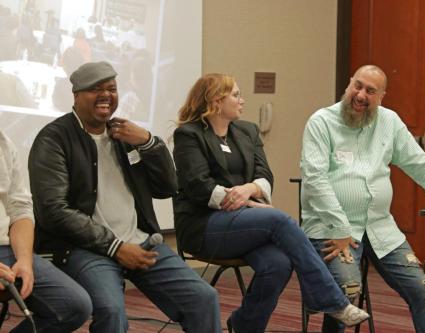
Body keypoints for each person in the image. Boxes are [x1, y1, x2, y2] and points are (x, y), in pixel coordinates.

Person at [28, 61, 220, 333]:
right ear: (77, 96)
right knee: (112, 311)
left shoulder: (126, 135)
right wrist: (115, 247)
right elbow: (53, 210)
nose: (106, 95)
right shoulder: (54, 139)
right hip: (86, 248)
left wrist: (149, 143)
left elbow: (167, 187)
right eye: (95, 89)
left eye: (112, 88)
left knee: (204, 298)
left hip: (140, 241)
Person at [173, 73, 370, 333]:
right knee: (278, 220)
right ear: (216, 101)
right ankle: (331, 301)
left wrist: (249, 189)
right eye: (235, 95)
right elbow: (199, 186)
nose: (242, 100)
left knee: (278, 265)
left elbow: (265, 175)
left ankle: (244, 325)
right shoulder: (189, 134)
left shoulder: (247, 131)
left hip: (244, 223)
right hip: (204, 226)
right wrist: (245, 201)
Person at [300, 64, 425, 333]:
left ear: (382, 96)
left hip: (380, 227)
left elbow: (422, 166)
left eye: (371, 91)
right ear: (348, 85)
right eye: (358, 86)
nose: (361, 95)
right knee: (345, 294)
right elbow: (315, 180)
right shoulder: (322, 122)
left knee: (424, 294)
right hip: (332, 229)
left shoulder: (389, 122)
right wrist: (339, 228)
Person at [0, 131, 92, 332]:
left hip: (4, 248)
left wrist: (24, 260)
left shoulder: (3, 142)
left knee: (74, 306)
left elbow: (20, 208)